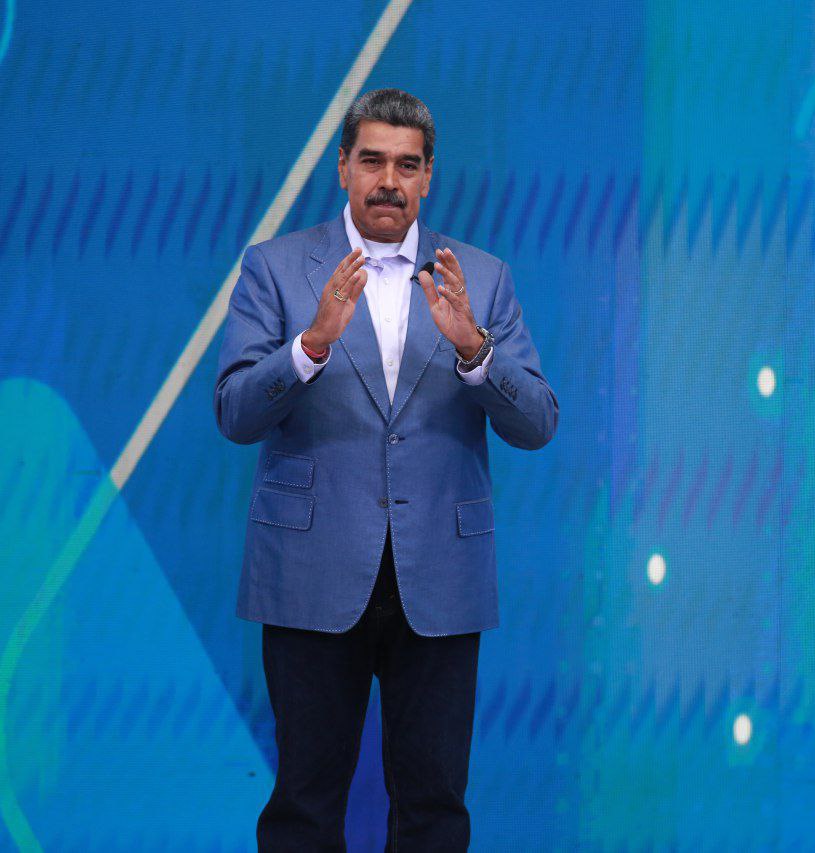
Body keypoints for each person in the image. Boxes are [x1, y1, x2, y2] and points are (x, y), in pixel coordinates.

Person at [214, 88, 558, 850]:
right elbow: (235, 411)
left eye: (407, 165)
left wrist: (475, 349)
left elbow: (537, 421)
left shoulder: (481, 278)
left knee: (434, 811)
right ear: (343, 166)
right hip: (310, 573)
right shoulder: (276, 268)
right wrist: (309, 346)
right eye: (372, 161)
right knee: (303, 809)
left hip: (441, 577)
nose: (389, 182)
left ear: (429, 175)